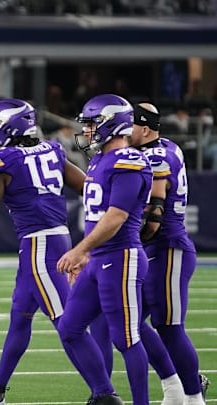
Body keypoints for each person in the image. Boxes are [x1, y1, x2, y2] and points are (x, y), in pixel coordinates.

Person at [0, 99, 86, 404]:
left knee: (69, 326)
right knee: (20, 317)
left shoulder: (4, 160)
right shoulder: (51, 149)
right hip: (47, 242)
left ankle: (105, 393)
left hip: (41, 245)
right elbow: (87, 186)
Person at [56, 94, 152, 405]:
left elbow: (116, 217)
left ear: (113, 124)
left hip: (121, 256)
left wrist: (79, 249)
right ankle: (104, 395)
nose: (86, 130)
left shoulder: (129, 161)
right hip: (99, 259)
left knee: (126, 338)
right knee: (70, 327)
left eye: (92, 123)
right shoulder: (99, 159)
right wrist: (86, 254)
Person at [128, 102, 208, 405]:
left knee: (170, 327)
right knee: (128, 322)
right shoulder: (167, 146)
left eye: (131, 126)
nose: (125, 132)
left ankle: (193, 397)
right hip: (153, 250)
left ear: (145, 128)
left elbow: (152, 217)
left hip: (168, 248)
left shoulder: (156, 157)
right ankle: (174, 386)